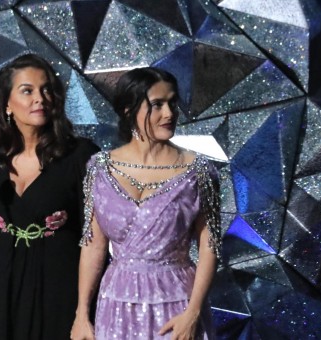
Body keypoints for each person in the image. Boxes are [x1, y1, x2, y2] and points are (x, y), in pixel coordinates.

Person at [70, 67, 221, 340]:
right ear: (128, 110)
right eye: (157, 105)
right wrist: (81, 314)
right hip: (117, 303)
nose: (169, 113)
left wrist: (194, 312)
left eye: (172, 103)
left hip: (177, 304)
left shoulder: (199, 171)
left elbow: (210, 246)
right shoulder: (99, 169)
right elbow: (93, 245)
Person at [0, 54, 100, 340]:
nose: (40, 98)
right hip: (2, 286)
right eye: (27, 91)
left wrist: (84, 312)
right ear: (7, 104)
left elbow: (95, 240)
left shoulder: (81, 155)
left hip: (60, 287)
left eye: (46, 89)